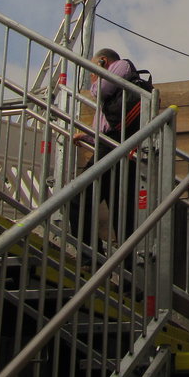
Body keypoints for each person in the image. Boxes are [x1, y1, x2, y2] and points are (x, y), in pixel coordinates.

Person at [73, 48, 145, 247]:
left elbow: (100, 90)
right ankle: (124, 265)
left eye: (93, 70)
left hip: (117, 145)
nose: (92, 77)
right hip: (113, 144)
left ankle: (89, 252)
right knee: (119, 207)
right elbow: (102, 127)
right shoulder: (112, 99)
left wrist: (97, 79)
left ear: (103, 61)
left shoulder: (121, 65)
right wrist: (87, 136)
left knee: (80, 196)